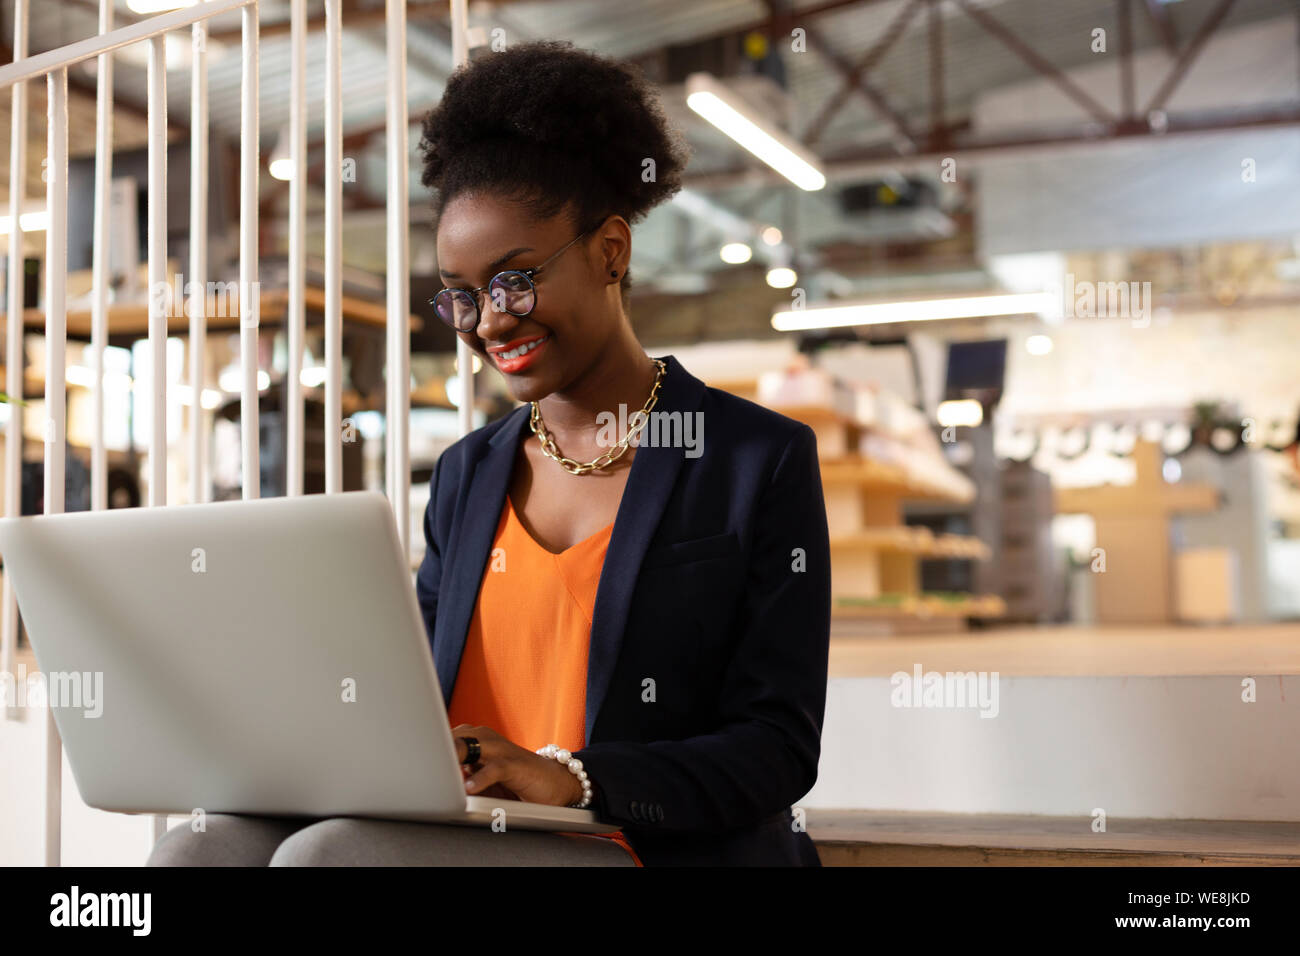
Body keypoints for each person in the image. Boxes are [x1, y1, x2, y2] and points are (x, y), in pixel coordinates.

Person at [149, 38, 830, 867]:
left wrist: (569, 776)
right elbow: (415, 692)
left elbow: (777, 747)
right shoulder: (470, 472)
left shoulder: (755, 459)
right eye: (463, 296)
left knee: (331, 860)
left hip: (625, 842)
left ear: (610, 250)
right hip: (459, 826)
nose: (489, 322)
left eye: (514, 280)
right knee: (201, 844)